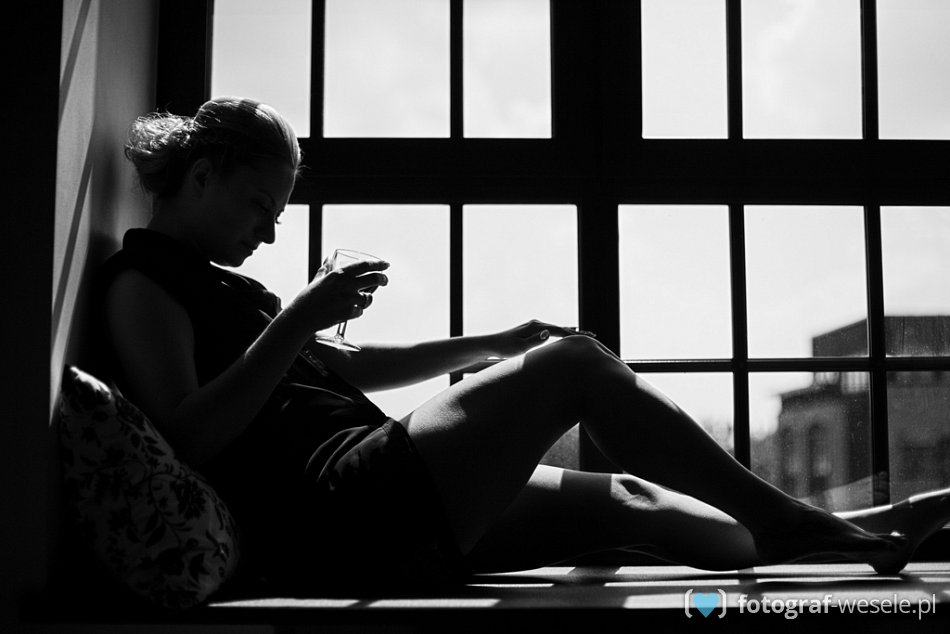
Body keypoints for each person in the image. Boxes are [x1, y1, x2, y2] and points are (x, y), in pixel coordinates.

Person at [103, 96, 949, 593]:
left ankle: (853, 530)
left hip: (373, 497)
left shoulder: (229, 288)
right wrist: (299, 317)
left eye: (279, 214)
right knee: (575, 367)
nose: (268, 230)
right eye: (260, 206)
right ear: (202, 176)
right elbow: (189, 435)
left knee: (628, 499)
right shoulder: (144, 283)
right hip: (338, 510)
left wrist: (497, 342)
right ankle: (791, 522)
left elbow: (350, 366)